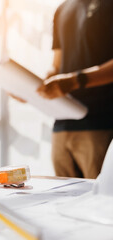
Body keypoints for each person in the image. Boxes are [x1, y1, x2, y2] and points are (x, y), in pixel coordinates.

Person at [36, 0, 113, 178]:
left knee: (102, 202)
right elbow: (56, 66)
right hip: (62, 126)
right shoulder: (62, 9)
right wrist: (32, 86)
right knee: (65, 202)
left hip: (100, 124)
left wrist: (75, 81)